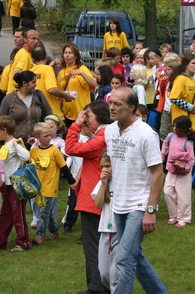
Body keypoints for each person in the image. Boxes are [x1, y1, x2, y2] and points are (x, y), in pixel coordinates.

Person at [105, 87, 167, 294]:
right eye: (111, 102)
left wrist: (150, 210)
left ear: (131, 108)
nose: (112, 107)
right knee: (134, 255)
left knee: (124, 258)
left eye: (117, 104)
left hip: (139, 204)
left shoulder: (146, 134)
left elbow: (158, 174)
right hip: (119, 202)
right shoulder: (110, 130)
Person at [66, 101, 112, 294]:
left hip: (94, 202)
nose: (86, 119)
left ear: (100, 116)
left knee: (93, 247)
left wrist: (76, 124)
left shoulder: (102, 139)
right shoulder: (106, 135)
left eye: (89, 115)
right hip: (98, 199)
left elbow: (71, 148)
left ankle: (96, 288)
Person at [29, 122, 77, 246]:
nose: (49, 138)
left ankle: (40, 235)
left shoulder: (54, 150)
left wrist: (71, 180)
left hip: (50, 187)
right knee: (48, 212)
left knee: (44, 212)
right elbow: (30, 167)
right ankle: (54, 230)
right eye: (45, 136)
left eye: (50, 135)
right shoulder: (34, 151)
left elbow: (63, 166)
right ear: (37, 137)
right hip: (38, 187)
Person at [0, 116, 32, 252]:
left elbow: (26, 156)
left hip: (17, 186)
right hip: (8, 185)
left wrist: (16, 145)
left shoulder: (14, 144)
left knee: (18, 215)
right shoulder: (4, 145)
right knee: (6, 215)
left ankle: (23, 242)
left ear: (4, 130)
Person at [161, 115, 195, 227]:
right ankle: (173, 215)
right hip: (171, 170)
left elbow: (191, 160)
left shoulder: (188, 142)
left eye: (177, 127)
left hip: (183, 173)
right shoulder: (171, 136)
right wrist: (163, 153)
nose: (174, 129)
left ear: (184, 128)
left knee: (182, 195)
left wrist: (183, 167)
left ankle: (184, 217)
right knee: (168, 191)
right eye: (174, 126)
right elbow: (165, 143)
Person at [0, 70, 52, 141]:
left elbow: (49, 115)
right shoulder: (9, 98)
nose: (36, 84)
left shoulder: (39, 95)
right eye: (33, 82)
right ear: (24, 83)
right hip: (16, 143)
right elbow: (0, 121)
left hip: (37, 142)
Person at [92, 152, 118, 294]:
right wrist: (103, 183)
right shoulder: (102, 183)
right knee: (103, 273)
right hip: (104, 230)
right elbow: (98, 204)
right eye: (102, 166)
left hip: (119, 231)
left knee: (115, 273)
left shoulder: (121, 181)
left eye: (108, 166)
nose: (104, 169)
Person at [57, 43, 97, 125]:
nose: (67, 55)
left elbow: (94, 84)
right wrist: (59, 114)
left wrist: (81, 73)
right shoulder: (61, 73)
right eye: (65, 53)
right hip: (67, 115)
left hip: (81, 114)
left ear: (76, 56)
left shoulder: (82, 68)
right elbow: (59, 96)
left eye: (70, 53)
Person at [31, 44, 72, 119]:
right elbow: (51, 89)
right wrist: (66, 96)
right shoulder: (47, 69)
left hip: (38, 113)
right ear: (46, 56)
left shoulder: (31, 71)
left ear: (32, 59)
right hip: (52, 113)